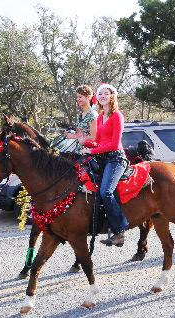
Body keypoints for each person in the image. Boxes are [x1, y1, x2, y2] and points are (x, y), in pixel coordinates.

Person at [80, 83, 129, 246]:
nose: (102, 96)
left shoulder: (117, 116)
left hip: (116, 158)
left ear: (112, 96)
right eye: (100, 93)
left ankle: (120, 230)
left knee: (106, 192)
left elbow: (115, 144)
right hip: (102, 158)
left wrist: (92, 151)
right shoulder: (100, 117)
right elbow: (99, 142)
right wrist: (86, 143)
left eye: (106, 93)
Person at [65, 84, 98, 152]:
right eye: (77, 97)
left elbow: (93, 137)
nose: (78, 99)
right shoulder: (80, 115)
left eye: (80, 97)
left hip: (88, 155)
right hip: (77, 152)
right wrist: (70, 133)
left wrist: (74, 136)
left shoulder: (93, 115)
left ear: (88, 97)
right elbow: (81, 133)